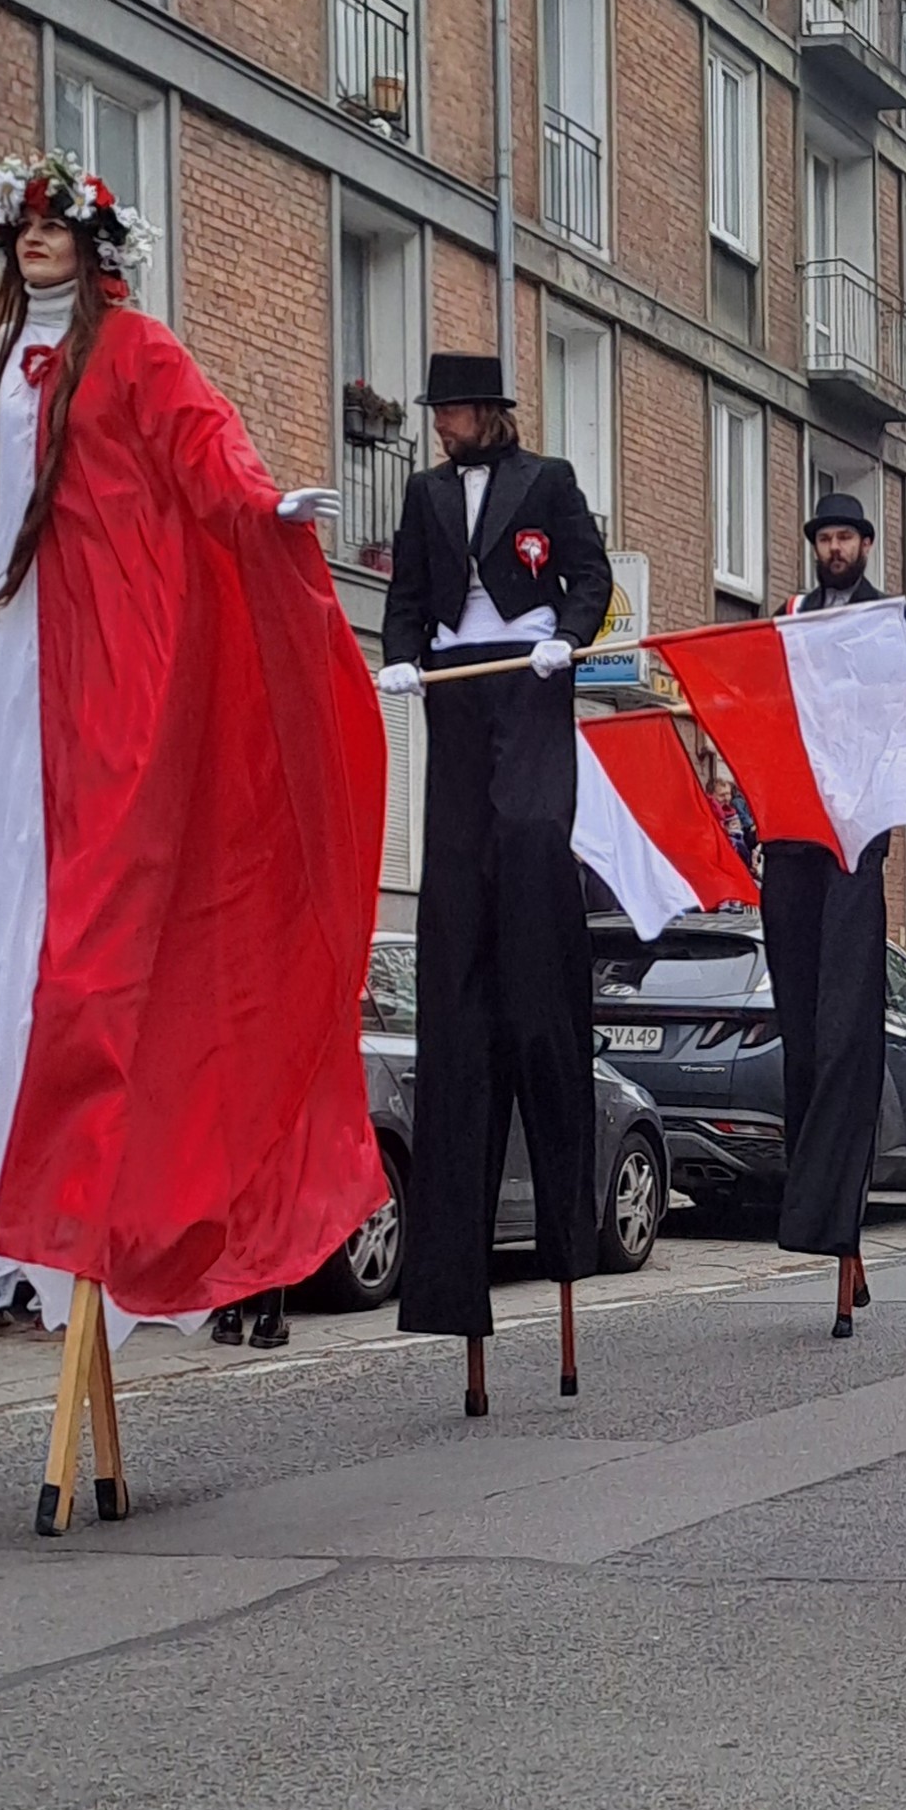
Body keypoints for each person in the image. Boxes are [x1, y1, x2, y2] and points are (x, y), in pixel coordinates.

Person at [0, 151, 389, 1375]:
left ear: (94, 241)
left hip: (117, 651)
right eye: (17, 228)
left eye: (51, 225)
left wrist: (259, 509)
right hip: (22, 657)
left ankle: (108, 1180)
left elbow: (204, 446)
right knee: (26, 902)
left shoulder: (135, 352)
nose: (33, 243)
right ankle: (37, 1175)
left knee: (103, 910)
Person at [376, 348, 618, 1361]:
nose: (441, 429)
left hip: (528, 667)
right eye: (436, 417)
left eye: (454, 415)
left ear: (490, 414)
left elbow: (590, 574)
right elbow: (405, 590)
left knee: (527, 826)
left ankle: (531, 899)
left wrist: (568, 629)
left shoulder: (546, 483)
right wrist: (395, 655)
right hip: (457, 680)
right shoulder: (425, 492)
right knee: (464, 845)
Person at [762, 490, 906, 1295]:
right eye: (824, 536)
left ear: (866, 545)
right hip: (794, 831)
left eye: (845, 537)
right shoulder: (790, 614)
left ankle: (842, 1223)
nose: (835, 548)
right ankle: (817, 1215)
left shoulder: (890, 619)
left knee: (844, 1031)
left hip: (856, 833)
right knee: (802, 1030)